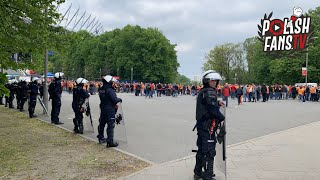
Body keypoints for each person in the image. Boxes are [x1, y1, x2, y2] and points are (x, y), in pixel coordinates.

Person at [194, 70, 225, 180]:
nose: (214, 82)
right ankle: (207, 175)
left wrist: (217, 103)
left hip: (202, 125)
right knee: (209, 151)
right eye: (212, 80)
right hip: (208, 126)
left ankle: (198, 172)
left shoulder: (204, 91)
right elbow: (212, 111)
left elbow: (207, 104)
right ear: (207, 81)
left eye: (215, 81)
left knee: (202, 149)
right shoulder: (210, 92)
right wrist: (222, 117)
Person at [97, 75, 122, 147]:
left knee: (102, 123)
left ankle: (100, 137)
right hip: (110, 108)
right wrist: (119, 99)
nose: (113, 83)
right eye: (112, 82)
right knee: (111, 124)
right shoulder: (110, 90)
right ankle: (110, 141)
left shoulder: (101, 89)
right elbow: (114, 100)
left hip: (103, 107)